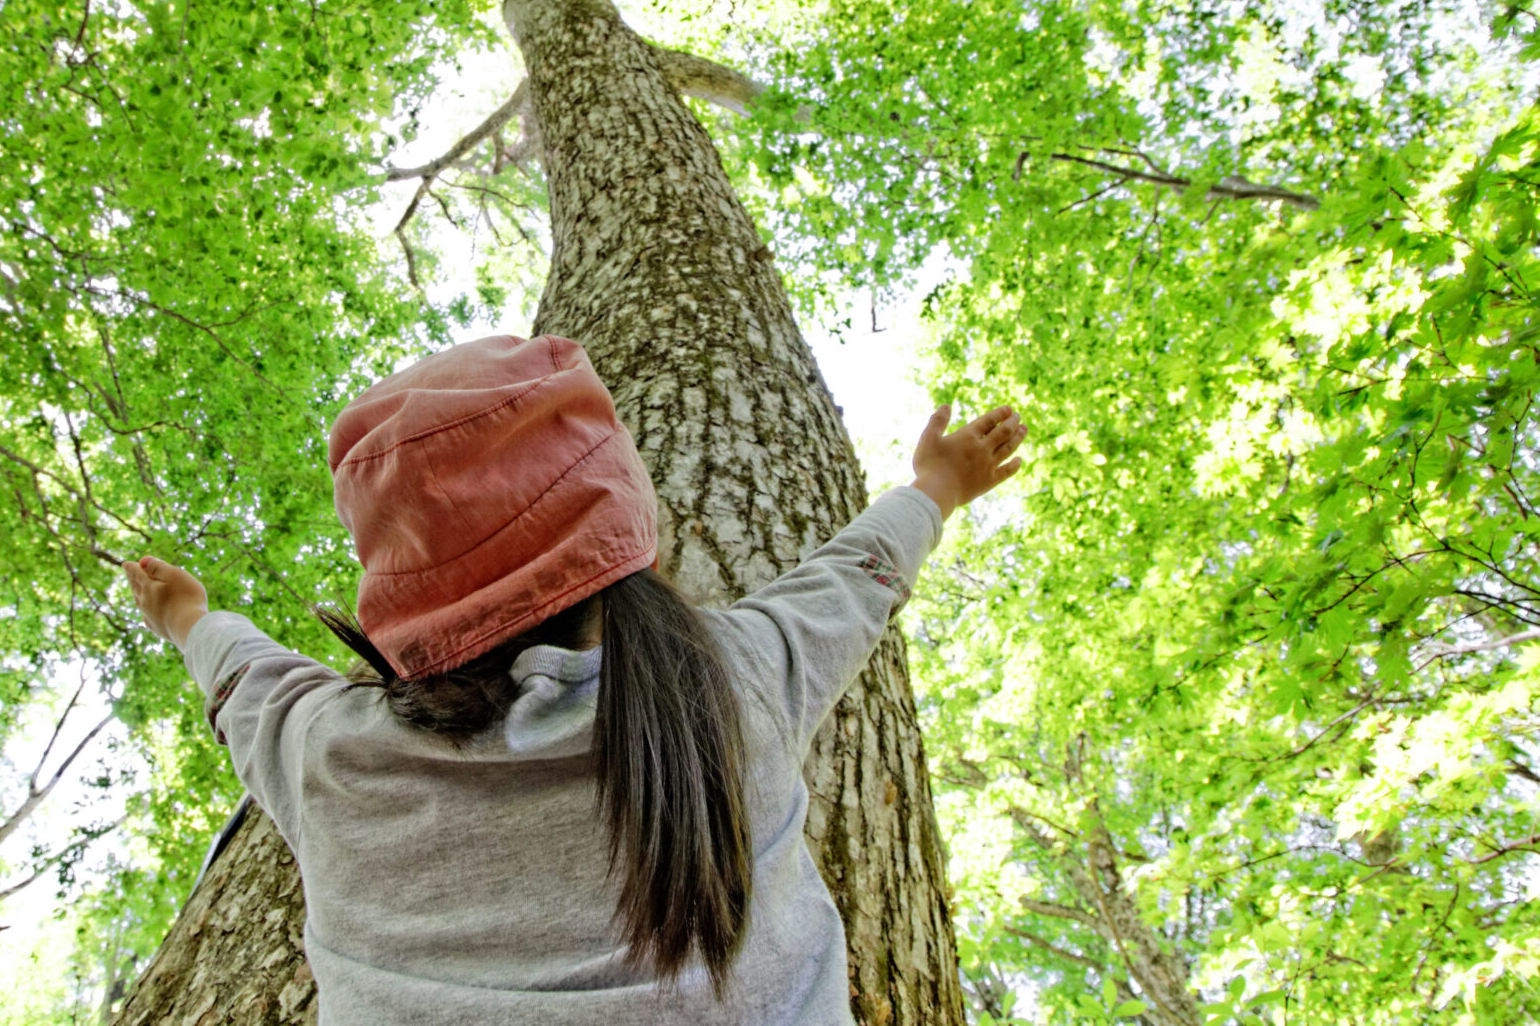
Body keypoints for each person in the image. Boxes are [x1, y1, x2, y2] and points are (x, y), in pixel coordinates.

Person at [123, 334, 1026, 1025]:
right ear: (631, 522)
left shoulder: (333, 758)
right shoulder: (734, 680)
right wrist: (936, 488)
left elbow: (247, 677)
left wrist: (184, 616)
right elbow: (855, 578)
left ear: (398, 591)